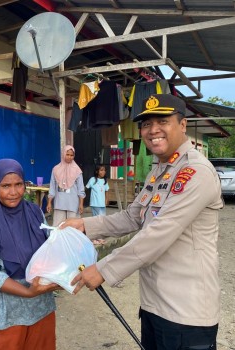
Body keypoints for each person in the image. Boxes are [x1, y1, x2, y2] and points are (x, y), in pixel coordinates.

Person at [61, 94, 223, 350]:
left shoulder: (196, 172)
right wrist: (85, 225)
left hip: (185, 311)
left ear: (182, 125)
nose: (153, 130)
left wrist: (103, 269)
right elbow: (132, 216)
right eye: (146, 124)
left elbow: (158, 233)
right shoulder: (159, 170)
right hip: (155, 304)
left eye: (163, 121)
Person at [0, 159, 61, 350]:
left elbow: (50, 249)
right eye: (6, 186)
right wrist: (28, 292)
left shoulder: (34, 212)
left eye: (19, 184)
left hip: (41, 310)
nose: (14, 192)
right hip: (3, 317)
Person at [46, 145, 85, 226]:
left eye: (72, 155)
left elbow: (81, 189)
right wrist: (49, 202)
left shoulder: (77, 170)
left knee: (72, 227)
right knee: (58, 226)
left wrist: (81, 204)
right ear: (63, 154)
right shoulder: (56, 169)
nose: (69, 157)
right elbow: (52, 187)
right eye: (67, 154)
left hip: (73, 203)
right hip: (59, 202)